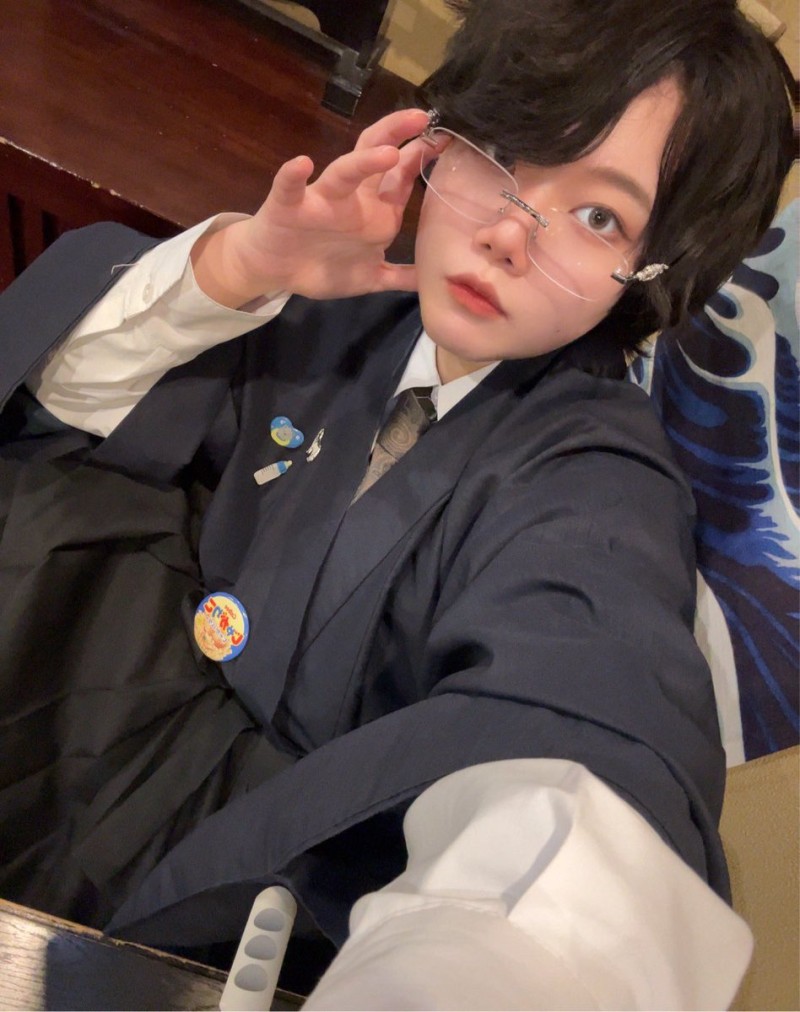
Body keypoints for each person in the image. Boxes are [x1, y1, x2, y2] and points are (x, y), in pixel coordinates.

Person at [0, 0, 793, 1006]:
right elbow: (63, 417)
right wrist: (239, 266)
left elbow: (596, 751)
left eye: (599, 216)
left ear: (653, 268)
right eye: (503, 153)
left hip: (253, 870)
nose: (507, 234)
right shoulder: (340, 296)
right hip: (99, 701)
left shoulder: (596, 485)